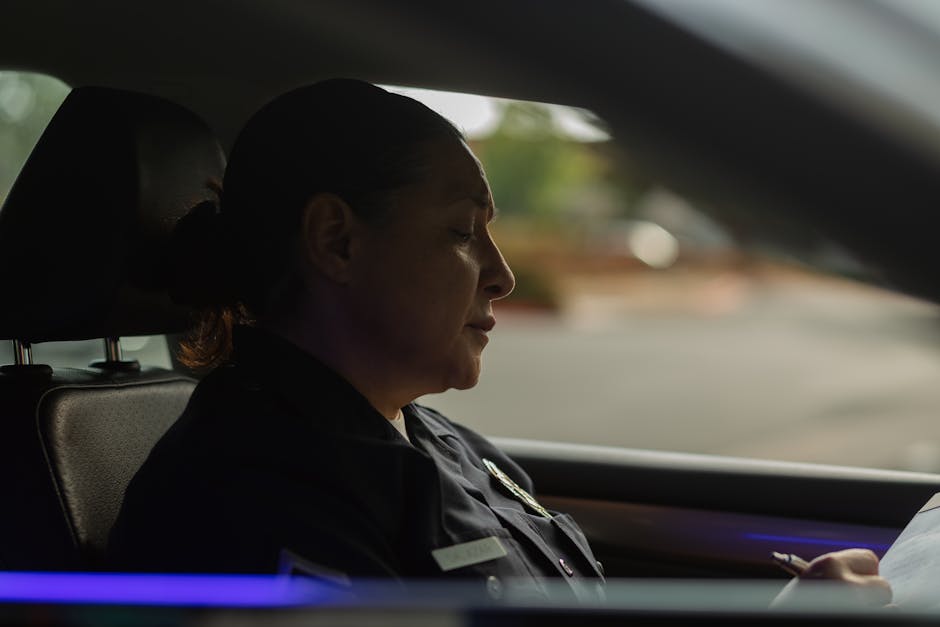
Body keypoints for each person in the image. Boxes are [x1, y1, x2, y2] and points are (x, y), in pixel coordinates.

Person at [108, 79, 889, 604]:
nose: (504, 276)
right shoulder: (253, 502)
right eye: (460, 232)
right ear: (337, 241)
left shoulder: (432, 439)